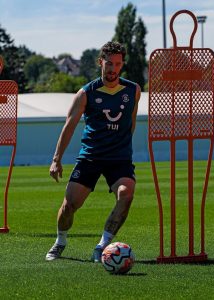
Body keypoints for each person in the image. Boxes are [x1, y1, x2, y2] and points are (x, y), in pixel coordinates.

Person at [45, 41, 141, 262]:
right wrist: (56, 159)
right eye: (109, 63)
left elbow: (131, 122)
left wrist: (123, 145)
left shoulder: (133, 90)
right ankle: (60, 241)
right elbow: (69, 126)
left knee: (126, 194)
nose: (113, 69)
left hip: (119, 158)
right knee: (69, 206)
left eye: (117, 64)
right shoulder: (86, 93)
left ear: (122, 65)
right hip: (91, 157)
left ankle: (103, 246)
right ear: (101, 62)